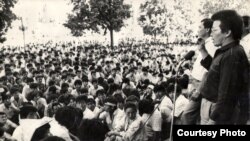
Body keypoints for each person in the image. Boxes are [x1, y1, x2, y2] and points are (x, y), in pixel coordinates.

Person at [198, 10, 249, 124]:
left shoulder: (232, 55)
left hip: (217, 111)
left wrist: (213, 119)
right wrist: (203, 51)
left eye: (215, 30)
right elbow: (217, 70)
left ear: (227, 33)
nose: (211, 33)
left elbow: (226, 94)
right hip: (213, 107)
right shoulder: (227, 51)